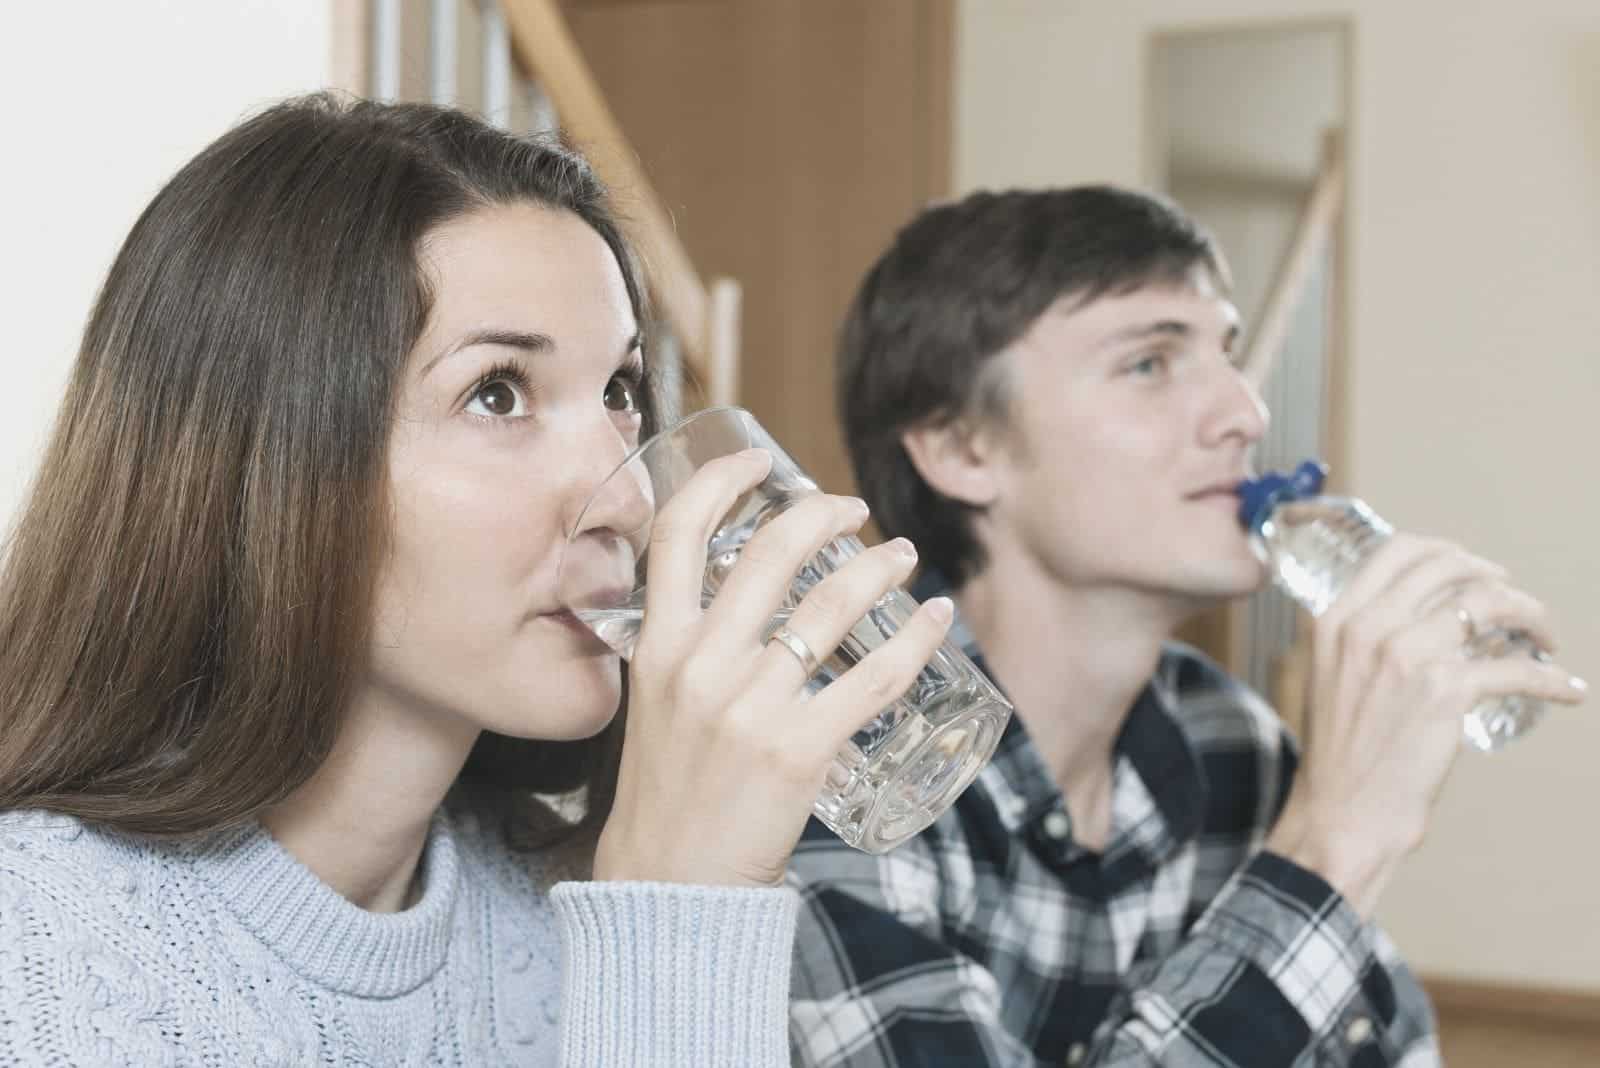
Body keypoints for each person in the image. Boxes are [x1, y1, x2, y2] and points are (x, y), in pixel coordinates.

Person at [0, 94, 955, 1066]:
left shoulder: (564, 906)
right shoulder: (40, 956)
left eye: (620, 391)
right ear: (264, 466)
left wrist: (677, 920)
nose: (624, 502)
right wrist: (671, 926)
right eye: (497, 393)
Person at [785, 186, 1588, 1067]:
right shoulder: (837, 757)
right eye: (1149, 365)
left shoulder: (1228, 737)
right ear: (961, 449)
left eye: (1227, 355)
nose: (1247, 413)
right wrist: (1332, 844)